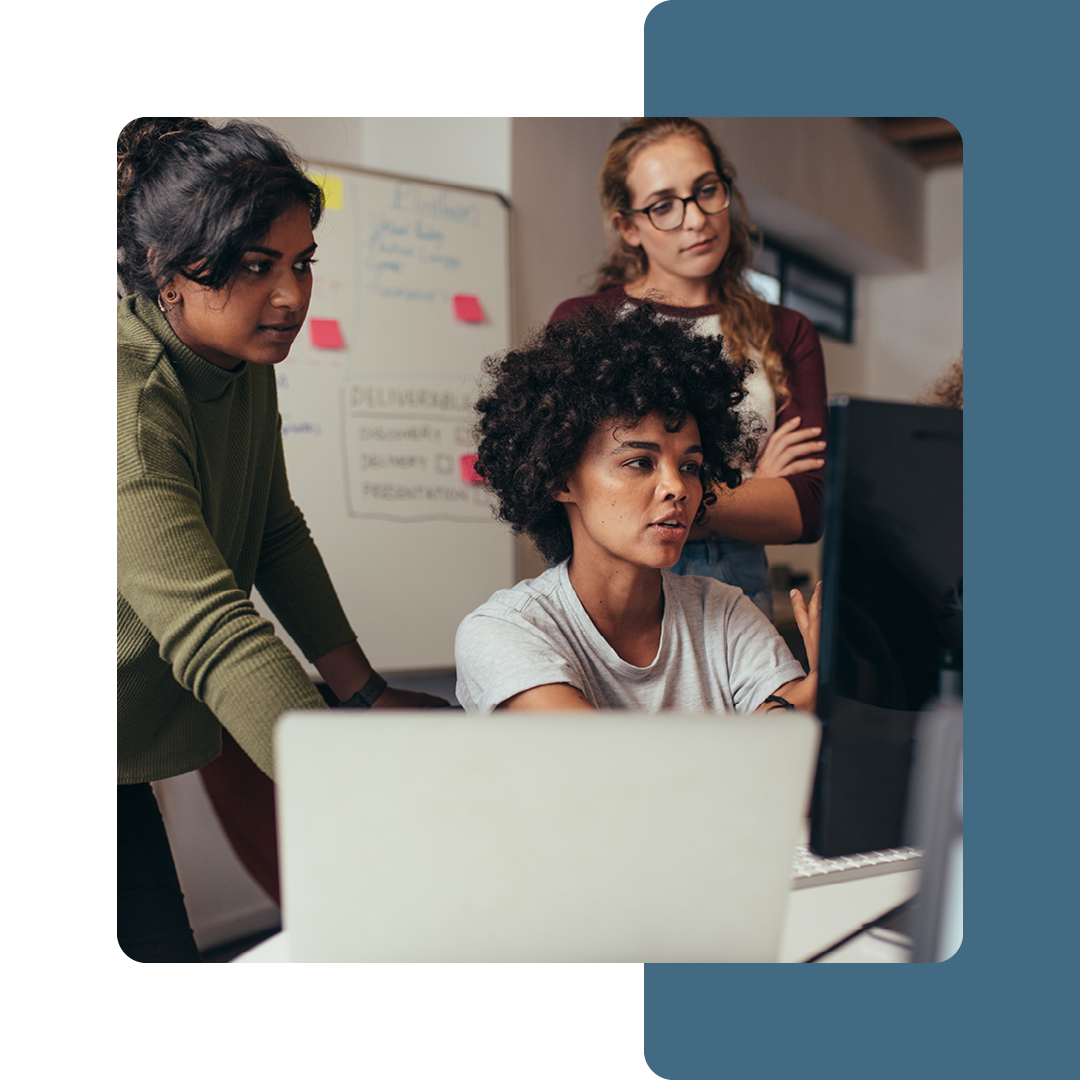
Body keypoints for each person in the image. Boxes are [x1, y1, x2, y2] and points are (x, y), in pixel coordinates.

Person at [117, 117, 445, 962]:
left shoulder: (237, 363)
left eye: (301, 263)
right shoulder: (127, 400)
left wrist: (364, 692)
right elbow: (213, 630)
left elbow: (272, 531)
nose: (292, 295)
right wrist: (349, 791)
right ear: (166, 270)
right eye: (257, 266)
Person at [455, 303, 820, 715]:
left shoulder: (723, 610)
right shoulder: (505, 630)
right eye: (640, 463)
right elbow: (613, 768)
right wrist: (792, 710)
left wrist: (816, 693)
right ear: (560, 479)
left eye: (690, 467)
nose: (677, 488)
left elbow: (782, 744)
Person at [550, 117, 828, 618]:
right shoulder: (584, 323)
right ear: (628, 227)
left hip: (737, 584)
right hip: (609, 584)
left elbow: (807, 511)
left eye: (706, 191)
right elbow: (558, 487)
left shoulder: (786, 331)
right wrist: (751, 490)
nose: (696, 218)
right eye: (663, 206)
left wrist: (640, 497)